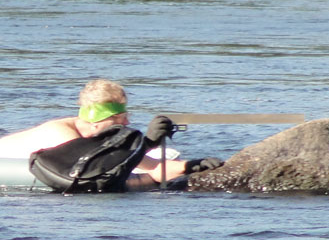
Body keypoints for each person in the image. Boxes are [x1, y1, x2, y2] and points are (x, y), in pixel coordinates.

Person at [0, 79, 223, 191]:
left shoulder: (96, 137)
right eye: (118, 120)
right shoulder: (60, 133)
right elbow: (92, 166)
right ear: (96, 121)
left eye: (126, 116)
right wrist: (148, 145)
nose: (126, 123)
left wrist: (191, 165)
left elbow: (150, 166)